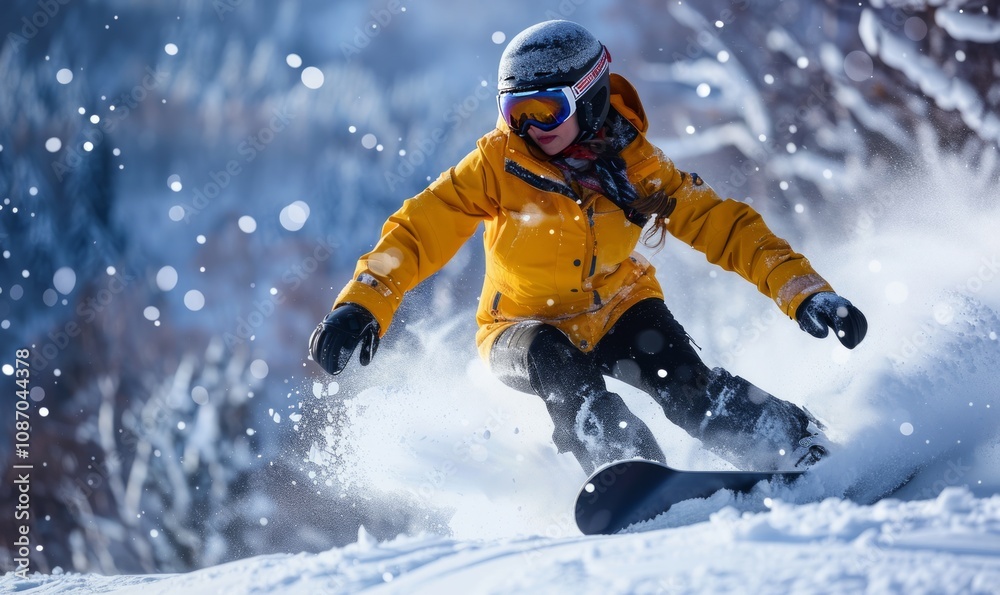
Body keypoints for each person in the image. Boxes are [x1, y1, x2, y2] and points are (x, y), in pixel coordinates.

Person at [309, 20, 867, 474]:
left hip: (618, 306)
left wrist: (805, 293)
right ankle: (629, 470)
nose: (529, 129)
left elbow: (727, 227)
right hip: (518, 328)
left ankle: (798, 448)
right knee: (564, 374)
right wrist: (362, 302)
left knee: (688, 388)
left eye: (544, 110)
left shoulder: (639, 170)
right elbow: (418, 229)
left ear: (589, 97)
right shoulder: (498, 167)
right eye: (514, 113)